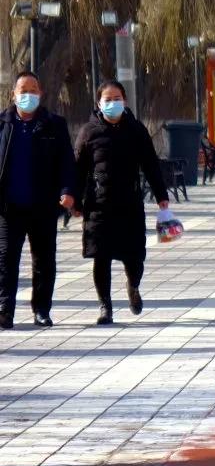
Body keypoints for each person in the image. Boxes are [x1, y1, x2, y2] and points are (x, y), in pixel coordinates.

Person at [74, 80, 169, 325]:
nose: (112, 103)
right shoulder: (89, 132)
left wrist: (162, 196)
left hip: (130, 205)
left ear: (124, 101)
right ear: (98, 103)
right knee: (101, 257)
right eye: (107, 99)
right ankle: (105, 306)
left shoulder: (136, 130)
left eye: (117, 98)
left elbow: (150, 164)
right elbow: (78, 169)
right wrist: (73, 198)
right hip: (99, 206)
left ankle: (133, 285)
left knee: (135, 256)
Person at [0, 72, 75, 329]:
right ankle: (4, 310)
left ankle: (41, 310)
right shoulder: (3, 124)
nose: (28, 95)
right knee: (6, 260)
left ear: (41, 94)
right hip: (9, 207)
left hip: (43, 205)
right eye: (23, 90)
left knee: (44, 260)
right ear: (14, 94)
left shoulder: (54, 125)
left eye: (33, 90)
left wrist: (67, 190)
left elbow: (66, 161)